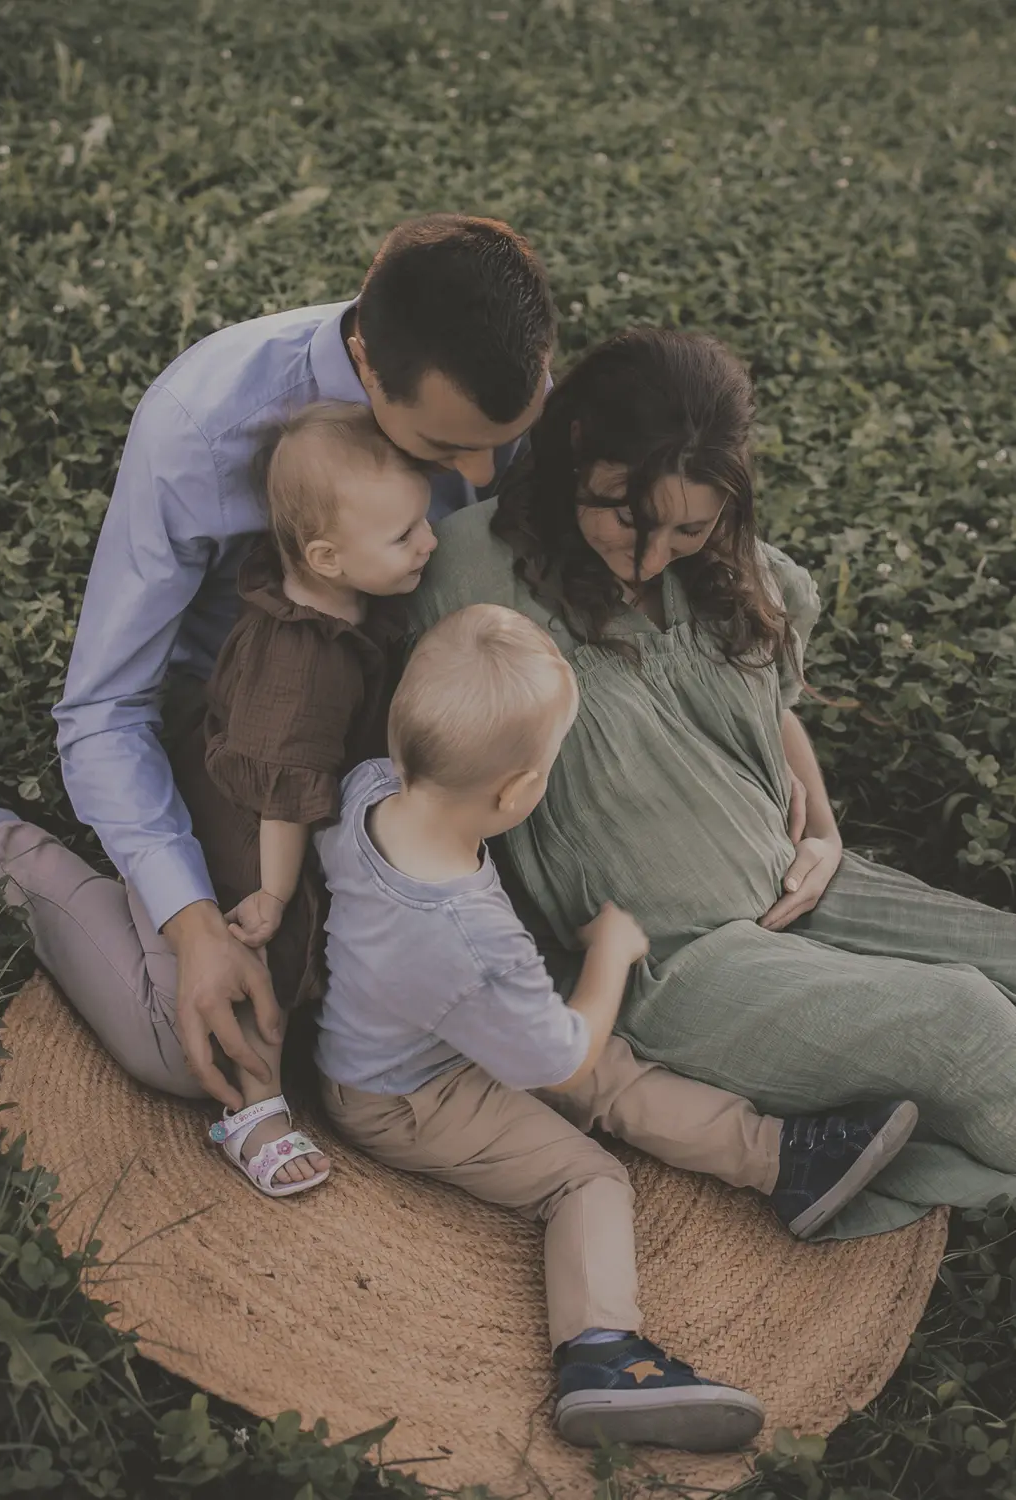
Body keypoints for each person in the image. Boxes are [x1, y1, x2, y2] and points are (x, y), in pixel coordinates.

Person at [0, 214, 554, 1114]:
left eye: (509, 434)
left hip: (413, 705)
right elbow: (107, 709)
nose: (487, 470)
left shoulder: (500, 385)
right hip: (246, 724)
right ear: (369, 369)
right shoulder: (200, 429)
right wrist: (194, 930)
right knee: (201, 1043)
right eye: (446, 451)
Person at [405, 327, 1016, 1241]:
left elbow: (769, 702)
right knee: (963, 1022)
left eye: (687, 527)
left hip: (796, 880)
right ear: (577, 451)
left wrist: (825, 828)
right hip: (673, 959)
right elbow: (420, 768)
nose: (651, 554)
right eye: (624, 516)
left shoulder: (722, 563)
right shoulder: (473, 572)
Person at [316, 604, 917, 1449]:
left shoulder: (370, 788)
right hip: (406, 1094)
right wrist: (609, 954)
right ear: (519, 792)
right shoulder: (472, 939)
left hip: (425, 1033)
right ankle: (600, 1354)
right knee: (587, 1176)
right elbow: (557, 1060)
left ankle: (783, 1162)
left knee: (617, 1073)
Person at [191, 400, 437, 1194]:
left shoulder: (333, 595)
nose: (429, 543)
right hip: (256, 823)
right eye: (405, 537)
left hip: (294, 794)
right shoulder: (305, 665)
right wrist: (270, 888)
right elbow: (284, 796)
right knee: (277, 940)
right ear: (328, 557)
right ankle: (254, 1106)